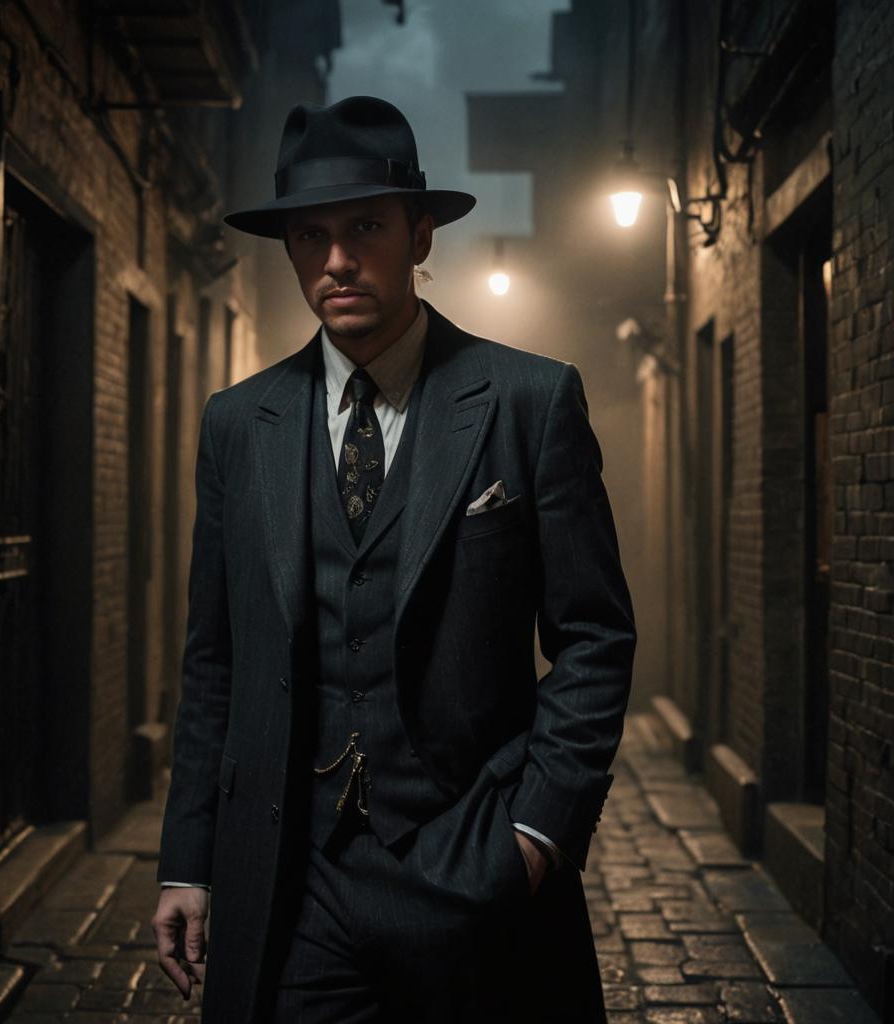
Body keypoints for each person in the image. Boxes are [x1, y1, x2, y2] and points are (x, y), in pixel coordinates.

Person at [151, 95, 636, 1023]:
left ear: (419, 234)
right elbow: (215, 661)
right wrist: (188, 860)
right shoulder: (236, 427)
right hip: (298, 882)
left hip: (475, 863)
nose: (335, 260)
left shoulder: (529, 401)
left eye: (365, 227)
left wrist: (537, 832)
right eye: (309, 235)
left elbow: (594, 637)